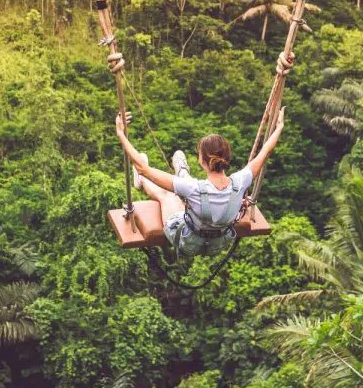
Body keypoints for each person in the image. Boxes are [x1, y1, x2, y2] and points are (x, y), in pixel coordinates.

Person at [114, 52, 294, 256]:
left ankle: (152, 179)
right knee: (185, 190)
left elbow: (143, 168)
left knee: (167, 195)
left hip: (187, 241)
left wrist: (121, 134)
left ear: (202, 160)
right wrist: (279, 127)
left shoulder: (192, 189)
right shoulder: (241, 181)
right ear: (226, 159)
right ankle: (181, 170)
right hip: (217, 245)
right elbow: (266, 150)